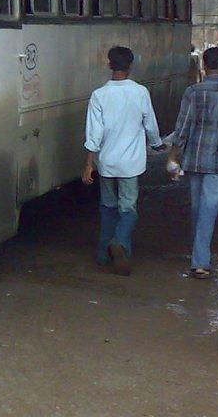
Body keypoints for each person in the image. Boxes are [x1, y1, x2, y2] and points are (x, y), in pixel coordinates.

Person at [168, 46, 218, 279]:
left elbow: (182, 127)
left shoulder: (192, 92)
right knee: (209, 209)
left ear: (204, 65)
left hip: (194, 159)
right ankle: (200, 261)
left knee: (198, 208)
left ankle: (198, 254)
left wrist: (174, 155)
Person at [82, 46, 165, 276]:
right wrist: (157, 143)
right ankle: (119, 244)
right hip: (131, 163)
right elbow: (150, 124)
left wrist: (89, 163)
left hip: (107, 162)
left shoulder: (99, 95)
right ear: (130, 66)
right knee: (128, 208)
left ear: (109, 65)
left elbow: (94, 134)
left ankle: (102, 254)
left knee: (107, 207)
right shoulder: (140, 92)